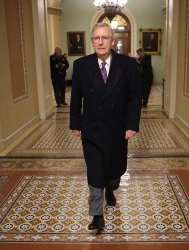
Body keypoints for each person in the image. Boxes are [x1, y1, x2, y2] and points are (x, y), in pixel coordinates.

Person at [69, 23, 142, 232]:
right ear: (92, 41)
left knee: (114, 170)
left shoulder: (127, 65)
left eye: (104, 38)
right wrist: (75, 123)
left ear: (112, 41)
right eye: (96, 38)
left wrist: (132, 125)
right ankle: (97, 215)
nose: (100, 42)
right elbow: (76, 97)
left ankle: (111, 189)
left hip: (117, 128)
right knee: (95, 172)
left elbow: (135, 98)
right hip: (92, 128)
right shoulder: (81, 65)